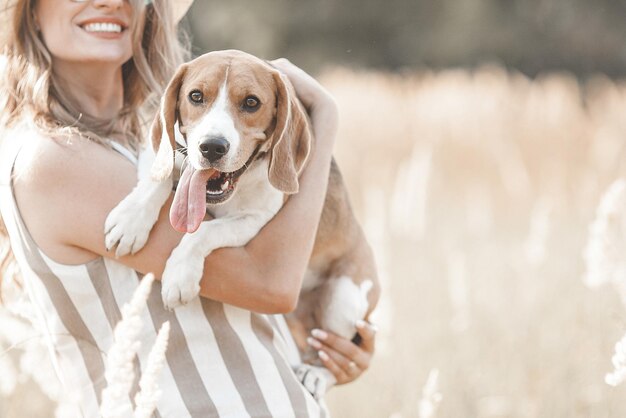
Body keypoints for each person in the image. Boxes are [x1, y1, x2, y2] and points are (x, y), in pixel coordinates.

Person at [0, 0, 377, 416]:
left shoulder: (144, 145)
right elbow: (271, 284)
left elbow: (247, 307)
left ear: (150, 13)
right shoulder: (56, 161)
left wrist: (320, 352)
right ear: (30, 10)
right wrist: (324, 115)